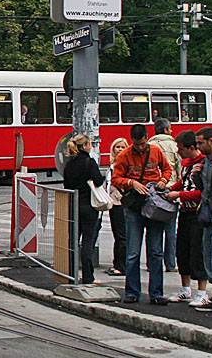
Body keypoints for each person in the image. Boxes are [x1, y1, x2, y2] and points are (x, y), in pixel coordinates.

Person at [112, 123, 172, 304]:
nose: (140, 147)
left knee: (155, 251)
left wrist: (163, 180)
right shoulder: (124, 155)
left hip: (153, 204)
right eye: (137, 144)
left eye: (143, 143)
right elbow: (116, 179)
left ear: (147, 138)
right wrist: (131, 183)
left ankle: (156, 293)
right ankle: (132, 292)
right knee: (133, 252)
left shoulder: (155, 151)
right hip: (135, 207)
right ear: (133, 141)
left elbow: (167, 169)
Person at [166, 130, 209, 306]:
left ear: (191, 148)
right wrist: (169, 188)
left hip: (197, 213)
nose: (178, 151)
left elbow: (202, 192)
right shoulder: (187, 164)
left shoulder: (204, 165)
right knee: (182, 250)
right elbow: (183, 182)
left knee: (197, 251)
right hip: (184, 212)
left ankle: (202, 291)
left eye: (181, 148)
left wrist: (180, 194)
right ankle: (185, 288)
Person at [62, 133, 105, 284]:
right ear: (85, 146)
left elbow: (66, 185)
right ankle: (88, 276)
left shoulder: (69, 164)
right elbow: (98, 181)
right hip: (88, 206)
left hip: (73, 206)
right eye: (90, 144)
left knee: (73, 241)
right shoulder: (89, 162)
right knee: (87, 241)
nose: (91, 146)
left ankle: (71, 274)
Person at [193, 127, 212, 311]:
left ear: (211, 141)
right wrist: (196, 176)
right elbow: (204, 189)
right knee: (209, 254)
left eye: (201, 143)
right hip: (208, 215)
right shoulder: (205, 162)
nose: (198, 146)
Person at [150, 118, 181, 272]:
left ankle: (152, 263)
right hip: (170, 189)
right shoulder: (174, 145)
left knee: (153, 228)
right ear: (167, 130)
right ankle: (170, 263)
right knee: (170, 229)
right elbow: (179, 169)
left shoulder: (149, 145)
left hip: (153, 191)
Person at [104, 137, 129, 277]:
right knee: (117, 234)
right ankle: (116, 264)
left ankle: (121, 266)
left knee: (121, 235)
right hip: (113, 202)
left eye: (122, 147)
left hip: (120, 202)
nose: (119, 149)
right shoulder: (113, 164)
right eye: (117, 147)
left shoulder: (124, 165)